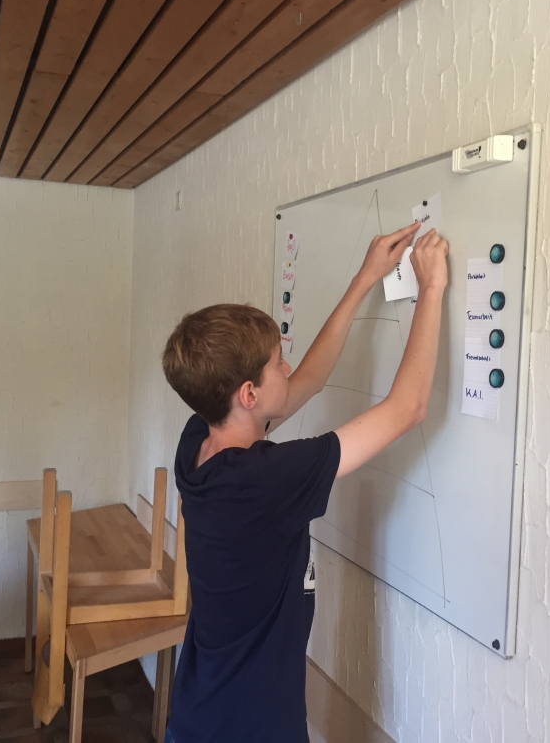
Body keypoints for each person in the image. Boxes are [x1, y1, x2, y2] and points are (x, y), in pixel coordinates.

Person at [160, 222, 449, 743]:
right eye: (277, 364)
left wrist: (365, 278)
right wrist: (431, 287)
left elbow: (308, 381)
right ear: (249, 394)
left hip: (199, 712)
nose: (287, 366)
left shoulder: (198, 441)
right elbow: (408, 407)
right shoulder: (265, 480)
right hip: (251, 727)